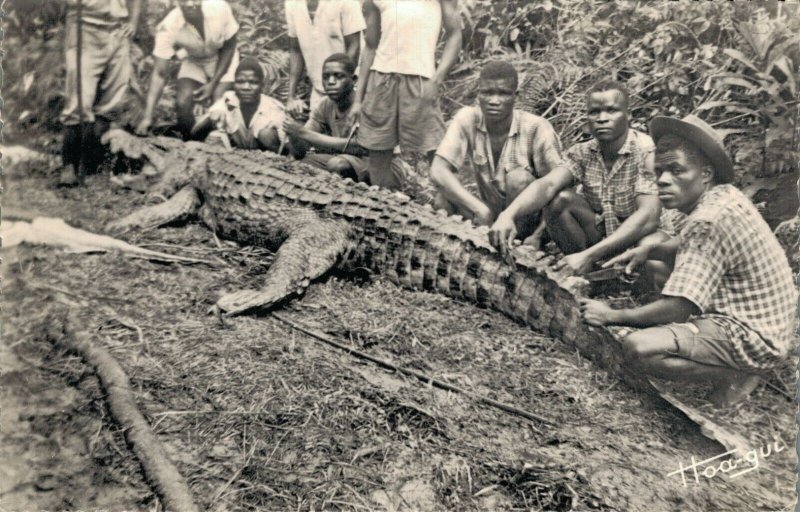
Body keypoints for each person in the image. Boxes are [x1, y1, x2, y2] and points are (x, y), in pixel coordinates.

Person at [580, 115, 796, 407]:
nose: (663, 180)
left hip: (754, 336)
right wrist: (648, 251)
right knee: (655, 265)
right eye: (659, 172)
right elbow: (699, 246)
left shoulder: (707, 219)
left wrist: (612, 315)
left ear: (705, 173)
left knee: (638, 348)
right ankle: (715, 351)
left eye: (676, 170)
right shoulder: (724, 196)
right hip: (768, 321)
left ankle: (736, 374)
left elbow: (681, 306)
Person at [488, 80, 662, 273]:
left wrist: (590, 254)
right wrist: (508, 214)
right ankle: (588, 274)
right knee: (559, 201)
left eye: (611, 111)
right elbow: (548, 184)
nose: (602, 118)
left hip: (637, 239)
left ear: (628, 115)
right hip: (600, 236)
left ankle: (608, 271)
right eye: (594, 112)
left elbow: (648, 217)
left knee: (650, 247)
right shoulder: (582, 152)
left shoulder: (646, 152)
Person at [430, 61, 567, 241]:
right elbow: (438, 170)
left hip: (525, 220)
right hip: (488, 214)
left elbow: (558, 186)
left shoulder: (536, 127)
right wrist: (479, 209)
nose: (494, 101)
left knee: (518, 178)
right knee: (443, 199)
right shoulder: (467, 118)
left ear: (515, 96)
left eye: (503, 93)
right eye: (487, 93)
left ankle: (515, 246)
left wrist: (538, 237)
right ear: (478, 94)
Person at [355, 0, 462, 190]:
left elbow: (455, 34)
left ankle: (450, 210)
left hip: (420, 79)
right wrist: (358, 98)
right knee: (378, 153)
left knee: (437, 152)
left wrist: (437, 79)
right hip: (381, 79)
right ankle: (384, 209)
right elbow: (370, 45)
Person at [59, 0, 144, 186]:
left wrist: (133, 23)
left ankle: (90, 168)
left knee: (111, 102)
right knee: (79, 99)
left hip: (117, 29)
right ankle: (69, 167)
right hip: (85, 25)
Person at [135, 0, 239, 139]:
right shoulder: (169, 26)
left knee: (218, 102)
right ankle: (191, 144)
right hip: (194, 60)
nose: (190, 4)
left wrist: (213, 84)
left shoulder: (219, 7)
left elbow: (229, 46)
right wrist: (147, 118)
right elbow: (159, 73)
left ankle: (221, 144)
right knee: (183, 103)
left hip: (224, 57)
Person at [283, 53, 368, 180]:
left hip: (374, 163)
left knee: (337, 165)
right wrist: (294, 131)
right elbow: (301, 151)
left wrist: (303, 133)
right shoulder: (325, 104)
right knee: (304, 163)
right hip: (342, 159)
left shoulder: (364, 105)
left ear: (354, 79)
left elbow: (360, 147)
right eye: (326, 77)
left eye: (339, 76)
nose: (331, 82)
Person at [284, 0, 365, 118]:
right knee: (311, 132)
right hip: (319, 90)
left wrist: (343, 85)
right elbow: (296, 51)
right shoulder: (292, 4)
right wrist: (291, 96)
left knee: (350, 132)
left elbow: (354, 46)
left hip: (351, 89)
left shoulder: (346, 2)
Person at [190, 57, 285, 151]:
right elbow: (195, 132)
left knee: (266, 134)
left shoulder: (273, 108)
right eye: (240, 82)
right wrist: (211, 117)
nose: (246, 87)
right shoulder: (228, 99)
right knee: (215, 135)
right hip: (238, 157)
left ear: (262, 86)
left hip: (267, 159)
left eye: (253, 82)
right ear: (234, 85)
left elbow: (289, 148)